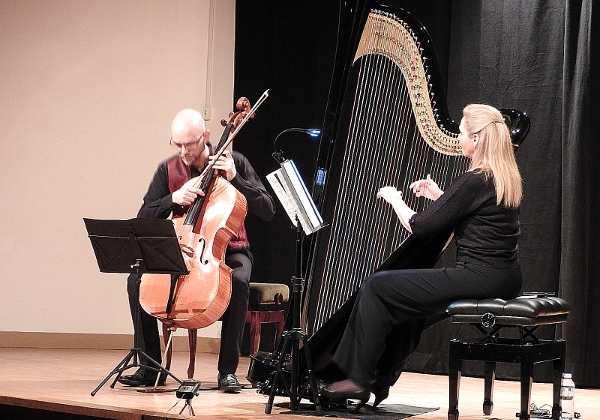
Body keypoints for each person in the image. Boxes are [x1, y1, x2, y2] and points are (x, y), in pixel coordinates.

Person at [320, 104, 523, 407]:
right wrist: (441, 198)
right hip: (505, 277)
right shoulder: (501, 175)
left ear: (477, 139)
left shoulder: (475, 178)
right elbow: (476, 218)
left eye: (462, 132)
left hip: (480, 276)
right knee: (406, 308)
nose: (458, 137)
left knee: (376, 287)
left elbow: (421, 227)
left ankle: (358, 380)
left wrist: (395, 200)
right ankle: (379, 378)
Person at [118, 108, 276, 392]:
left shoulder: (234, 161)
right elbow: (144, 215)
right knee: (135, 280)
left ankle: (227, 371)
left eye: (189, 144)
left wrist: (236, 179)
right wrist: (172, 198)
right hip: (181, 247)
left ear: (206, 136)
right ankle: (150, 366)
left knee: (238, 282)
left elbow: (267, 209)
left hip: (230, 248)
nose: (183, 151)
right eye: (176, 144)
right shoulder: (167, 169)